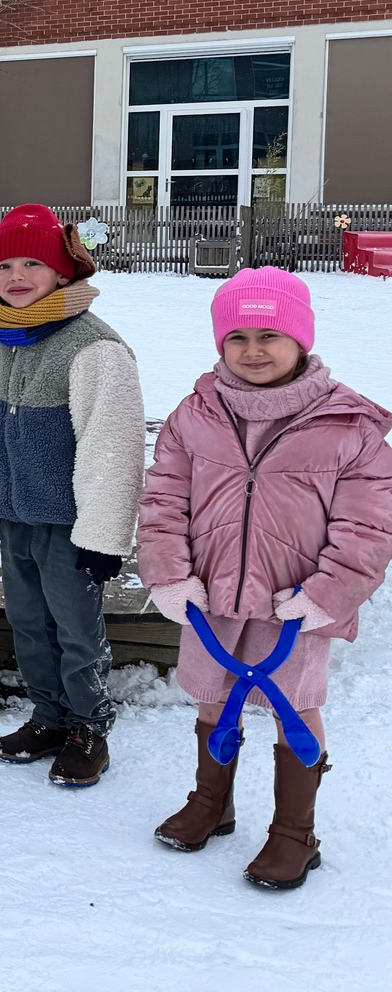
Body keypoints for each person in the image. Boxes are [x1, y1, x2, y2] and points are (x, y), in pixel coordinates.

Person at [138, 268, 392, 889]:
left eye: (269, 336)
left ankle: (294, 833)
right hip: (210, 595)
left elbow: (368, 526)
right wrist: (169, 575)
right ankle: (211, 803)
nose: (252, 351)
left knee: (293, 706)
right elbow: (163, 499)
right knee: (211, 695)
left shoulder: (348, 426)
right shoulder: (195, 414)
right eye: (237, 337)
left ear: (300, 339)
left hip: (293, 605)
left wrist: (325, 594)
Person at [0, 204, 144, 789]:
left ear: (62, 271)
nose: (16, 275)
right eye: (4, 265)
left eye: (32, 263)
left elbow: (112, 447)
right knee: (27, 622)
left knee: (74, 629)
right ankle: (48, 716)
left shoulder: (93, 347)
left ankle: (88, 727)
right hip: (16, 515)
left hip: (71, 522)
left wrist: (103, 536)